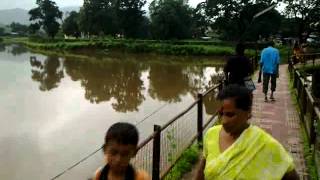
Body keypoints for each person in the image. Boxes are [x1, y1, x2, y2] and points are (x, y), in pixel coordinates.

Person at [195, 85, 299, 180]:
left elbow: (291, 176)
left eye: (230, 115)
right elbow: (201, 172)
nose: (224, 121)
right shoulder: (211, 134)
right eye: (221, 114)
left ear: (248, 113)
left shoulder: (265, 144)